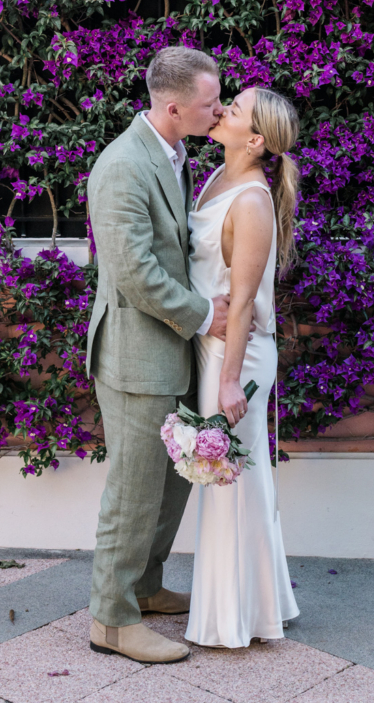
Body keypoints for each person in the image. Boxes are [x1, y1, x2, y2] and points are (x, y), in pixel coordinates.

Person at [86, 46, 230, 665]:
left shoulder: (173, 155)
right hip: (134, 355)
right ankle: (111, 621)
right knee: (135, 490)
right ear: (174, 108)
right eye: (209, 103)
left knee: (172, 487)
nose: (219, 110)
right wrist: (205, 315)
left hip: (170, 351)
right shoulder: (123, 165)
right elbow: (134, 272)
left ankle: (144, 588)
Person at [185, 86, 301, 649]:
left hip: (237, 357)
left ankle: (232, 618)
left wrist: (230, 381)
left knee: (227, 478)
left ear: (254, 140)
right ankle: (263, 605)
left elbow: (246, 303)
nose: (223, 109)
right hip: (212, 343)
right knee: (241, 478)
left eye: (234, 109)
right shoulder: (215, 178)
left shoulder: (252, 202)